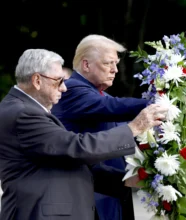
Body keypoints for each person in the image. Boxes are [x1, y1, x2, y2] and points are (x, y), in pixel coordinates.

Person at [0, 48, 168, 220]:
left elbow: (65, 161)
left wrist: (124, 180)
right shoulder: (22, 113)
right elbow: (77, 148)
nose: (64, 88)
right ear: (37, 80)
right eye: (59, 81)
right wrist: (133, 128)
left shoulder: (24, 109)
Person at [51, 34, 149, 220]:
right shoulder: (72, 89)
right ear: (86, 65)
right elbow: (114, 108)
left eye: (116, 64)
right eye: (108, 63)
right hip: (87, 200)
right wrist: (155, 102)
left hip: (111, 197)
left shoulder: (101, 96)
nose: (115, 70)